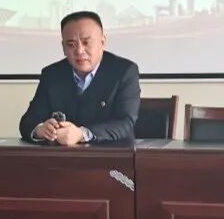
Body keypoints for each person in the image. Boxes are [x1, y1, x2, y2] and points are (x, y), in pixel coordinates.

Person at [18, 11, 140, 145]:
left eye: (86, 42)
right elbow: (28, 121)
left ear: (102, 42)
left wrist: (82, 134)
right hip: (61, 156)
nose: (79, 51)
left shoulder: (124, 71)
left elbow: (125, 122)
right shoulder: (52, 74)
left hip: (111, 153)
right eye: (71, 44)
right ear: (63, 47)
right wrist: (40, 130)